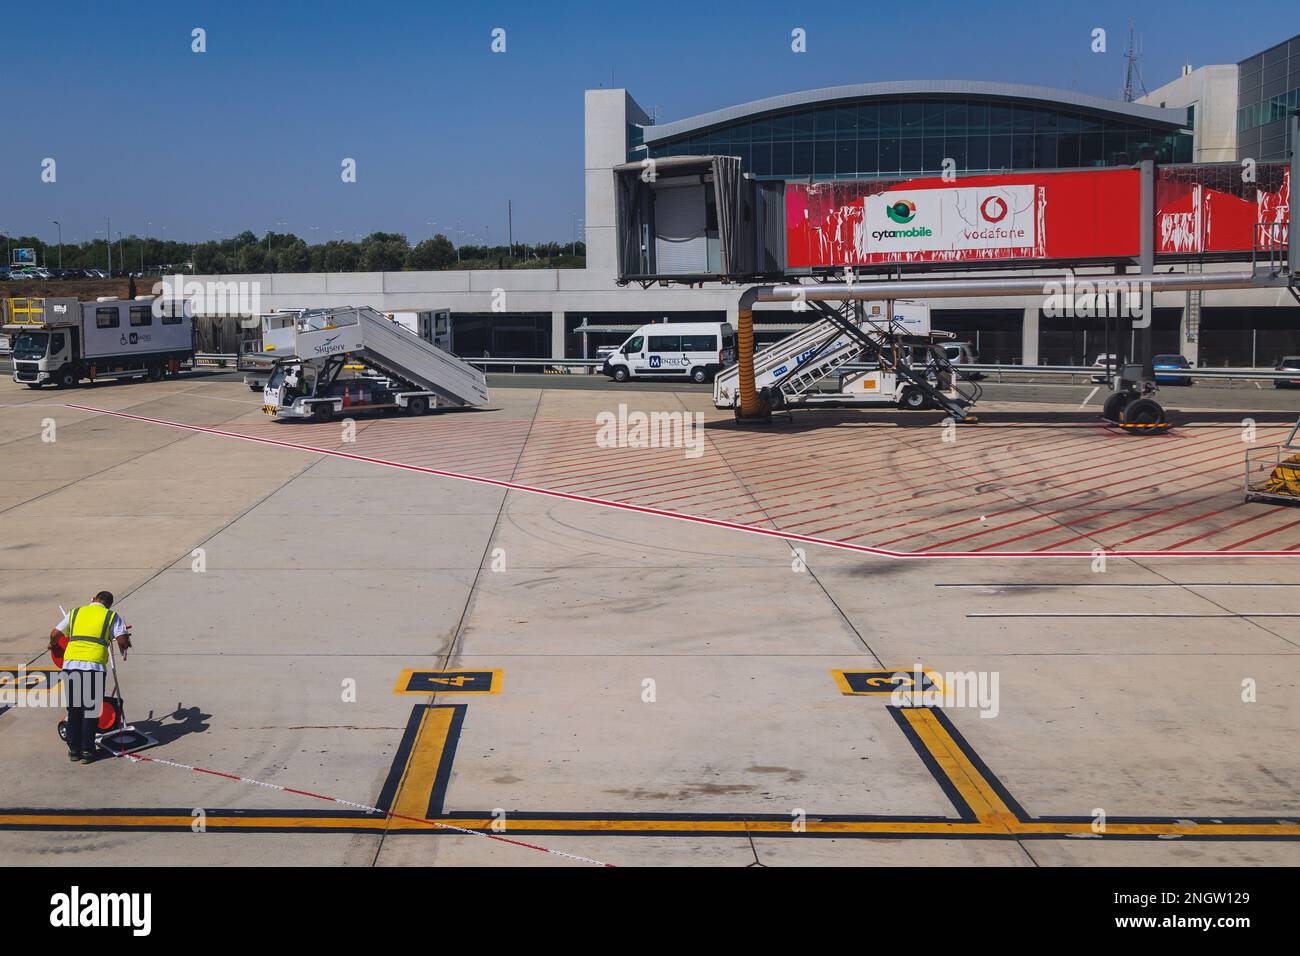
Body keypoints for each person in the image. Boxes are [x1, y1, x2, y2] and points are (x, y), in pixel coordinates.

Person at [48, 592, 132, 764]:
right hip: (93, 667)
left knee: (74, 709)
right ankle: (87, 750)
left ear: (93, 599)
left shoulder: (76, 612)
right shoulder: (111, 616)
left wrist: (54, 643)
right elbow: (122, 640)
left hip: (71, 666)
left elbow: (55, 633)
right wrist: (124, 647)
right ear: (108, 604)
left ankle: (74, 750)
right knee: (91, 710)